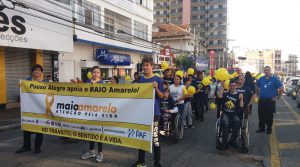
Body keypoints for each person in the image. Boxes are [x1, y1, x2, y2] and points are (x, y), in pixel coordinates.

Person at [131, 56, 163, 167]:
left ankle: (157, 162)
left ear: (152, 66)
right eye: (143, 65)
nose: (145, 67)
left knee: (155, 138)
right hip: (142, 113)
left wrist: (157, 88)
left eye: (147, 65)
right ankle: (141, 161)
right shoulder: (140, 79)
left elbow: (162, 96)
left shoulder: (158, 79)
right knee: (142, 137)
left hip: (154, 113)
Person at [16, 64, 45, 154]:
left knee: (39, 129)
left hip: (40, 109)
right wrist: (20, 86)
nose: (37, 71)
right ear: (32, 72)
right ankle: (26, 146)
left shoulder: (45, 83)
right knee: (27, 128)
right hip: (28, 109)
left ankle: (37, 147)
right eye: (35, 70)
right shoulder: (26, 82)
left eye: (39, 70)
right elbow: (22, 93)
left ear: (41, 73)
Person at [81, 66, 104, 163]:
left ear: (100, 74)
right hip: (89, 111)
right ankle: (91, 151)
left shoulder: (102, 84)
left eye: (97, 72)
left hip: (99, 111)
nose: (95, 74)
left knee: (99, 132)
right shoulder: (87, 82)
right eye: (94, 72)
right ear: (91, 73)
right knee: (91, 132)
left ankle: (100, 153)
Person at [256, 66, 283, 134]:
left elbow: (281, 88)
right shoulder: (261, 79)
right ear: (263, 71)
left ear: (270, 71)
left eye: (268, 70)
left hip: (270, 101)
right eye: (265, 70)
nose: (266, 71)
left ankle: (269, 129)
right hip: (262, 100)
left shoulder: (275, 79)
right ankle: (261, 128)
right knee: (261, 115)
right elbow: (257, 86)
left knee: (269, 116)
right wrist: (257, 94)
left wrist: (278, 97)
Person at [218, 80, 243, 150]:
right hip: (226, 113)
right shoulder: (226, 94)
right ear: (229, 86)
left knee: (238, 122)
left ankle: (232, 141)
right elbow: (219, 96)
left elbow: (241, 106)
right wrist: (223, 87)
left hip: (234, 114)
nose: (232, 87)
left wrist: (241, 98)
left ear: (236, 86)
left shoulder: (239, 95)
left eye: (234, 85)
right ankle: (224, 144)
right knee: (225, 124)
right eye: (231, 85)